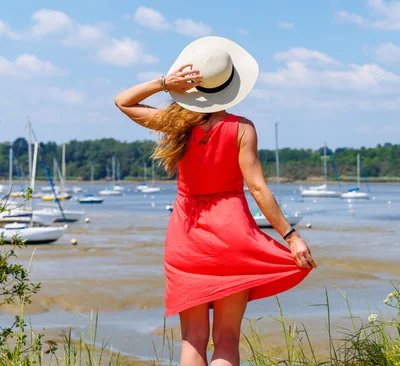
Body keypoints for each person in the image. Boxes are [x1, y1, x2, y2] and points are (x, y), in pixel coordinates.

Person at [114, 36, 315, 366]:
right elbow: (259, 190)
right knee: (227, 338)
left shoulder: (175, 124)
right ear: (230, 86)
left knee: (192, 339)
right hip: (233, 236)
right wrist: (291, 237)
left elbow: (123, 101)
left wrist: (164, 83)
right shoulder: (241, 129)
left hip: (187, 237)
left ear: (193, 86)